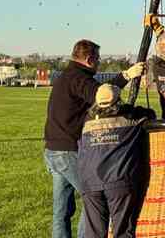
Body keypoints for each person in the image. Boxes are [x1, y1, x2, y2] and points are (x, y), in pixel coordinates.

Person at [43, 39, 146, 238]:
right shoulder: (79, 78)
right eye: (97, 59)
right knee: (93, 202)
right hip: (69, 150)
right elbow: (101, 96)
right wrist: (127, 75)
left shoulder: (68, 75)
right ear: (89, 59)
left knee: (61, 211)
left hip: (52, 150)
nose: (99, 63)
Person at [77, 84, 156, 238]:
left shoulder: (87, 120)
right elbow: (150, 115)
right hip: (118, 181)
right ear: (118, 100)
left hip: (89, 182)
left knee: (94, 233)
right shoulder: (131, 116)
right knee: (123, 231)